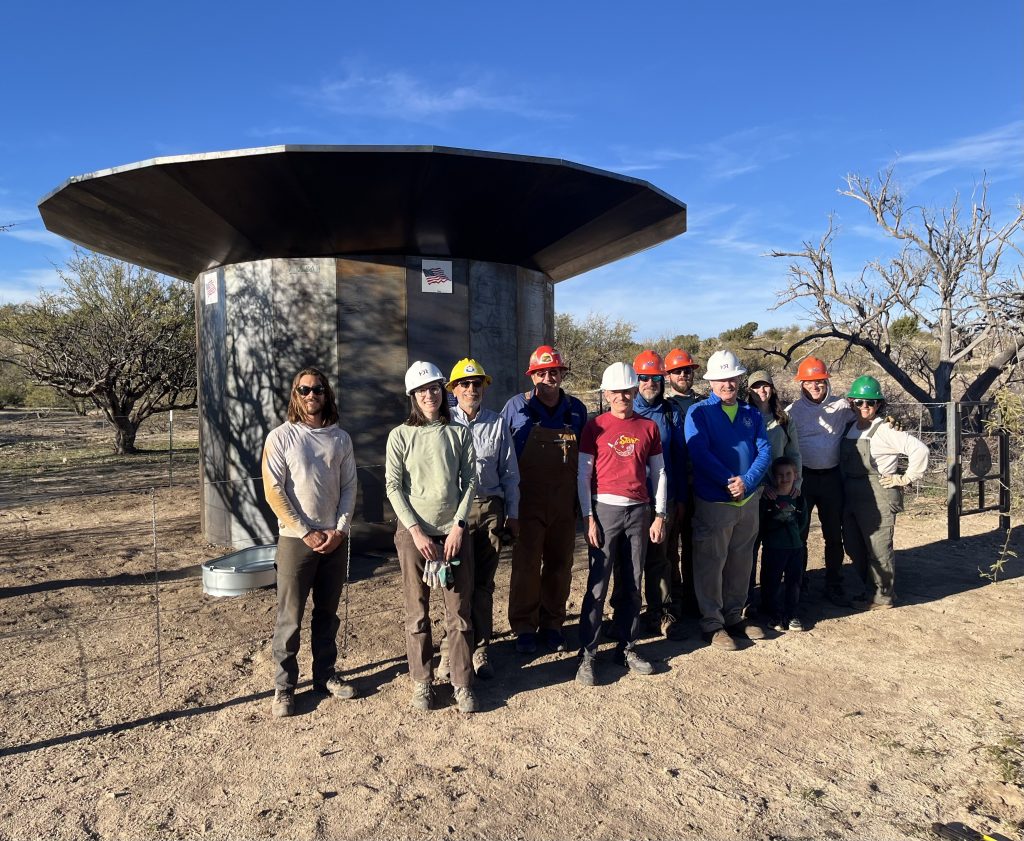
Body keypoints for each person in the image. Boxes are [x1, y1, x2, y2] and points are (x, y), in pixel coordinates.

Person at [262, 367, 358, 719]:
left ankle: (325, 675)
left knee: (327, 614)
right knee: (290, 617)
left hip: (334, 540)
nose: (311, 395)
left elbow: (349, 487)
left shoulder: (341, 439)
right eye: (304, 390)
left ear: (326, 393)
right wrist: (305, 531)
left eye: (317, 389)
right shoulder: (281, 437)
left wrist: (340, 530)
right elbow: (274, 491)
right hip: (295, 540)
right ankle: (284, 686)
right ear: (295, 395)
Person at [385, 361, 479, 713]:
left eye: (435, 388)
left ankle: (462, 682)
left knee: (459, 612)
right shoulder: (400, 436)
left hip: (453, 533)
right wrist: (415, 531)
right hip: (415, 535)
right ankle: (422, 681)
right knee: (417, 611)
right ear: (413, 395)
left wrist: (459, 526)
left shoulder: (459, 433)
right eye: (423, 390)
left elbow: (470, 481)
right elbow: (393, 486)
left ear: (443, 390)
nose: (430, 395)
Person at [575, 362, 666, 686]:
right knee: (598, 586)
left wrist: (659, 514)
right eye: (615, 391)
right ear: (606, 393)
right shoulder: (594, 427)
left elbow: (659, 472)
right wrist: (588, 518)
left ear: (634, 391)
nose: (621, 397)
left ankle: (626, 647)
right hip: (605, 511)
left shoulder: (648, 428)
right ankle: (587, 653)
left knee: (633, 583)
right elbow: (583, 474)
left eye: (626, 391)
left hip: (639, 512)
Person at [502, 345, 588, 654]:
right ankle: (524, 627)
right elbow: (503, 457)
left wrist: (583, 503)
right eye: (541, 373)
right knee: (526, 566)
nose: (548, 378)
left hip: (565, 503)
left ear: (562, 374)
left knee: (560, 565)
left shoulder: (576, 410)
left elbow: (587, 460)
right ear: (532, 376)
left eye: (553, 372)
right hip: (527, 503)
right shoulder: (515, 407)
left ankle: (553, 624)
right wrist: (508, 506)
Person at [684, 349, 771, 650]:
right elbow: (699, 452)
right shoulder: (699, 413)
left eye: (732, 378)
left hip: (747, 500)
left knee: (741, 560)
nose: (727, 384)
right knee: (711, 562)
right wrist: (728, 480)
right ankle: (712, 622)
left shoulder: (751, 413)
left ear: (739, 379)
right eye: (721, 379)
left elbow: (765, 450)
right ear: (711, 382)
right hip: (715, 500)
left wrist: (748, 481)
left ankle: (734, 615)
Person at [443, 357, 520, 680]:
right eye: (464, 384)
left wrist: (512, 514)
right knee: (453, 584)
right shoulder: (443, 423)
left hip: (490, 510)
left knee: (483, 585)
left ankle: (480, 649)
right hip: (453, 513)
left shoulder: (496, 423)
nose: (471, 389)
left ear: (484, 388)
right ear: (454, 390)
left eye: (476, 384)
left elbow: (510, 472)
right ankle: (450, 650)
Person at [614, 349, 686, 640]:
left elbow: (679, 458)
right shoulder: (623, 409)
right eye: (643, 377)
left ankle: (661, 613)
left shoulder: (671, 412)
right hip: (628, 498)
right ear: (635, 380)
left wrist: (679, 498)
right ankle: (623, 614)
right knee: (625, 560)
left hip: (661, 498)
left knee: (660, 558)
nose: (649, 383)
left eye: (655, 378)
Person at [840, 375, 929, 609]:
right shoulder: (850, 427)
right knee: (853, 545)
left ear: (879, 404)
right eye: (859, 402)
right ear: (852, 403)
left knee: (878, 547)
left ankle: (883, 596)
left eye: (870, 402)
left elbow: (920, 450)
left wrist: (905, 478)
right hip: (851, 493)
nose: (864, 407)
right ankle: (870, 589)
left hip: (878, 493)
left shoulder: (887, 430)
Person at [785, 356, 855, 605]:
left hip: (832, 478)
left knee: (834, 534)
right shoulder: (792, 412)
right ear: (801, 384)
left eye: (820, 381)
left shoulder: (842, 407)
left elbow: (865, 421)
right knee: (800, 533)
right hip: (803, 480)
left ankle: (834, 583)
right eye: (809, 382)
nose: (815, 386)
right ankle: (799, 582)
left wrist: (889, 422)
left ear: (827, 382)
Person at [746, 370, 802, 612]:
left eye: (765, 385)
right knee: (749, 548)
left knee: (777, 546)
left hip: (780, 493)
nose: (762, 390)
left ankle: (777, 600)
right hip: (753, 492)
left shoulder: (784, 419)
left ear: (772, 388)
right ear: (749, 391)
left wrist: (796, 484)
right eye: (756, 386)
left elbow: (794, 453)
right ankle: (746, 600)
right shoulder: (743, 416)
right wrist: (758, 485)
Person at [663, 348, 703, 617]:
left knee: (696, 543)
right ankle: (672, 601)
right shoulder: (663, 406)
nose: (683, 375)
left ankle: (694, 597)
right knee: (669, 546)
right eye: (677, 371)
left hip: (701, 483)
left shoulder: (705, 403)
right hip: (672, 483)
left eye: (687, 370)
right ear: (668, 375)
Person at [758, 457, 809, 632]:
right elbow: (761, 521)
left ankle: (792, 613)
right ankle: (774, 614)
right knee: (771, 582)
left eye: (788, 474)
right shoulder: (768, 498)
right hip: (773, 547)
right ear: (773, 477)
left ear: (796, 475)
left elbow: (803, 522)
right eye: (780, 475)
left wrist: (795, 538)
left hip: (795, 548)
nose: (784, 478)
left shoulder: (799, 499)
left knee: (794, 582)